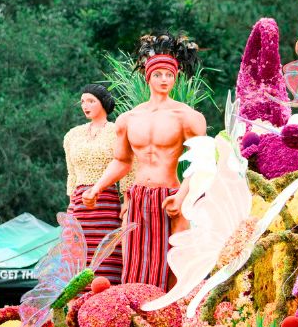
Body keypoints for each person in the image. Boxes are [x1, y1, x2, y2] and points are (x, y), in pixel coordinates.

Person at [83, 34, 206, 291]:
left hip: (171, 196)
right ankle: (139, 320)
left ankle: (176, 323)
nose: (164, 80)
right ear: (147, 76)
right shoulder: (128, 119)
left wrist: (182, 196)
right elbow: (122, 161)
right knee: (136, 263)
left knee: (175, 265)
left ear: (176, 77)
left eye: (169, 75)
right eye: (158, 74)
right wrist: (97, 187)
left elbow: (202, 162)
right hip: (138, 197)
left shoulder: (188, 116)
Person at [63, 84, 132, 284]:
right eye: (83, 101)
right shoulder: (72, 135)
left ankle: (104, 302)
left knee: (107, 253)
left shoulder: (116, 131)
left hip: (106, 202)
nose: (85, 105)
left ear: (102, 103)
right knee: (77, 257)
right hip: (79, 205)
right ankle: (75, 307)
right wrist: (70, 206)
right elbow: (72, 173)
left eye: (91, 101)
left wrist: (126, 201)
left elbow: (128, 166)